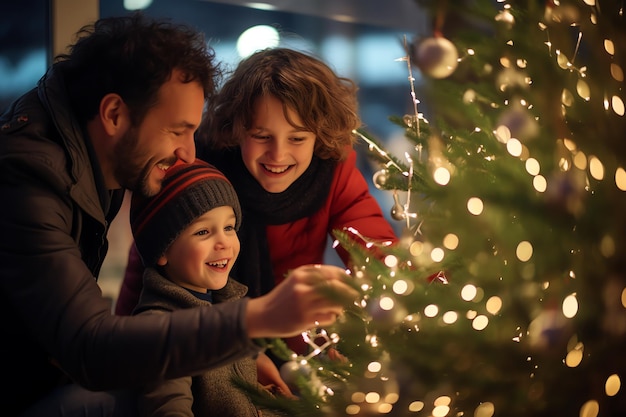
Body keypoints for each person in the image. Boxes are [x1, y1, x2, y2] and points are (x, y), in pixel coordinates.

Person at [0, 15, 357, 417]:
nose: (188, 152)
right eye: (177, 130)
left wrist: (233, 354)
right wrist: (258, 319)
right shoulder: (28, 180)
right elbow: (92, 347)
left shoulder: (97, 155)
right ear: (114, 114)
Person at [116, 47, 398, 356]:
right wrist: (125, 352)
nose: (278, 155)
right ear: (237, 129)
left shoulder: (332, 172)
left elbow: (379, 253)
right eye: (262, 136)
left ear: (320, 136)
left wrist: (431, 298)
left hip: (295, 345)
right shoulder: (196, 171)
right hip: (202, 344)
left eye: (297, 138)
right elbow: (147, 272)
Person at [130, 159, 287, 417]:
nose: (224, 242)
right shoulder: (161, 328)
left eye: (228, 227)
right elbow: (168, 408)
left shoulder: (228, 303)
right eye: (203, 232)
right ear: (162, 249)